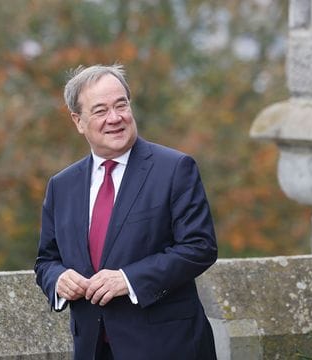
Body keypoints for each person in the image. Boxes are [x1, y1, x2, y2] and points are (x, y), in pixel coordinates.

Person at [34, 64, 218, 359]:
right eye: (100, 110)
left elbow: (200, 247)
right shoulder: (61, 186)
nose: (115, 118)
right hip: (93, 349)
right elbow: (46, 260)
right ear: (78, 121)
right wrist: (58, 279)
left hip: (166, 347)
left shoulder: (174, 169)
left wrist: (129, 279)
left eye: (121, 105)